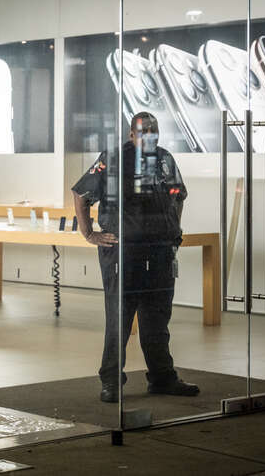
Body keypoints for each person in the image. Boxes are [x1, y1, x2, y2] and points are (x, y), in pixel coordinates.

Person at [72, 111, 200, 403]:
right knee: (120, 319)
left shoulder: (165, 159)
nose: (150, 136)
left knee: (157, 318)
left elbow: (178, 195)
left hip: (159, 251)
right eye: (144, 132)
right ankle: (111, 381)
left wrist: (174, 230)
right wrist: (88, 232)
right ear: (132, 134)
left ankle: (162, 378)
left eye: (154, 131)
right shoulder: (113, 159)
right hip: (123, 251)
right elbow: (80, 193)